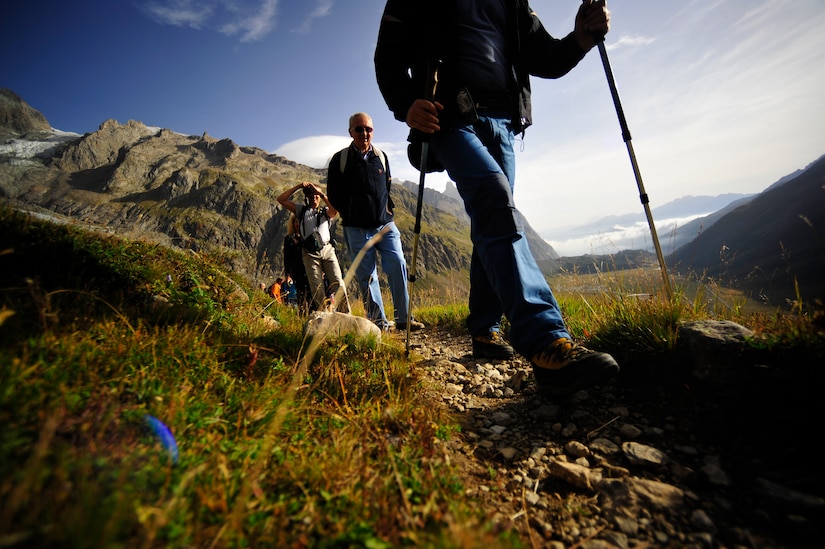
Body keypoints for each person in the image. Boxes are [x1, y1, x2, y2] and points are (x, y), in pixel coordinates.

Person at [374, 0, 619, 397]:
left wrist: (580, 39)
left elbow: (545, 58)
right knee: (493, 197)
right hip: (447, 117)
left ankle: (484, 330)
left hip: (504, 121)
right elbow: (387, 56)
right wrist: (405, 104)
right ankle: (545, 341)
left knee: (492, 217)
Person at [326, 112, 424, 332]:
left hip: (385, 225)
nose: (364, 133)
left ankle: (403, 318)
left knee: (398, 264)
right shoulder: (339, 160)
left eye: (368, 129)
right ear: (350, 132)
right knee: (367, 277)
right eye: (358, 129)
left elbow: (386, 187)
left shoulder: (381, 156)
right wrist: (350, 213)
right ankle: (379, 324)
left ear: (373, 130)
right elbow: (333, 195)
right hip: (356, 229)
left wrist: (387, 210)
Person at [276, 182, 349, 313]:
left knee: (338, 282)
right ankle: (324, 315)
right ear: (307, 197)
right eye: (311, 196)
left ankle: (346, 314)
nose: (314, 198)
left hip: (327, 250)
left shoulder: (325, 212)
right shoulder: (301, 211)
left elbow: (335, 211)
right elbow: (281, 199)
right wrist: (298, 186)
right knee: (316, 288)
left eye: (316, 196)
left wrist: (321, 193)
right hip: (310, 254)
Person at [283, 213, 312, 312]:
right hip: (296, 269)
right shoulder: (289, 239)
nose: (297, 224)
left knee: (311, 291)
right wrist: (288, 274)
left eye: (299, 221)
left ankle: (311, 311)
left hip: (308, 268)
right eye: (295, 221)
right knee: (300, 292)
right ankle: (302, 312)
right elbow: (286, 257)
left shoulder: (308, 237)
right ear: (292, 223)